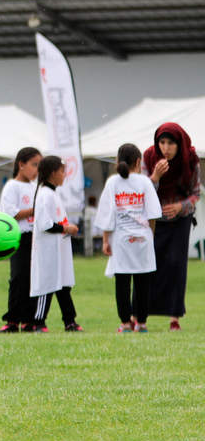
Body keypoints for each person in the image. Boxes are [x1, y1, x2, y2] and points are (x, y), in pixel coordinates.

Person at [97, 143, 162, 333]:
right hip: (143, 239)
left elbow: (106, 215)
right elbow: (153, 214)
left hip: (121, 240)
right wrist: (150, 236)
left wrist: (105, 240)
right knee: (143, 282)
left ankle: (125, 323)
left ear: (118, 161)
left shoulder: (112, 183)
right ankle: (141, 323)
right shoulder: (145, 183)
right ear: (138, 161)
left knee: (122, 282)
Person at [143, 122, 200, 332]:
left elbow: (196, 193)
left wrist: (180, 206)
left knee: (177, 265)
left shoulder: (190, 160)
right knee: (149, 265)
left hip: (180, 220)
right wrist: (155, 178)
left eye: (171, 143)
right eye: (162, 142)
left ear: (179, 144)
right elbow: (142, 190)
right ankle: (141, 315)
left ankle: (174, 318)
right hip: (153, 220)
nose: (165, 148)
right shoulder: (149, 157)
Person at [30, 155, 82, 333]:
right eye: (62, 171)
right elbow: (45, 224)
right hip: (48, 250)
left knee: (63, 285)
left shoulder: (53, 194)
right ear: (52, 173)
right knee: (48, 284)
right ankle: (38, 321)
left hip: (58, 249)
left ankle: (70, 321)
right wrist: (66, 229)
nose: (64, 175)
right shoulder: (45, 194)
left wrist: (65, 229)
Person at [0, 147, 40, 333]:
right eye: (34, 165)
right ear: (21, 165)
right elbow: (10, 214)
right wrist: (35, 210)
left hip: (35, 237)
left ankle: (30, 319)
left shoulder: (35, 186)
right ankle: (13, 320)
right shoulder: (12, 186)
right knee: (18, 278)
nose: (37, 170)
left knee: (34, 279)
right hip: (19, 237)